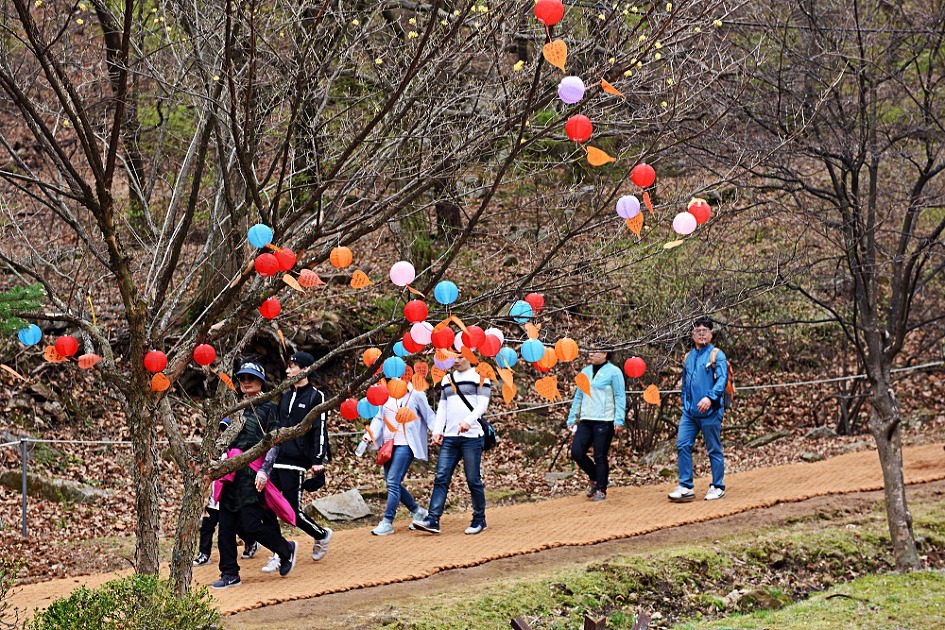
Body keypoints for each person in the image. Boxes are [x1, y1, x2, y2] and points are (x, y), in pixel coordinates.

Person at [212, 362, 297, 589]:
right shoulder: (234, 408)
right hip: (230, 472)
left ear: (261, 381)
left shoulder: (268, 408)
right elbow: (223, 439)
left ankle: (285, 549)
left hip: (252, 472)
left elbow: (275, 440)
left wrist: (264, 470)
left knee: (251, 524)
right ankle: (229, 573)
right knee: (226, 526)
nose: (246, 382)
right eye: (242, 378)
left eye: (251, 378)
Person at [261, 352, 333, 573]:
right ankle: (280, 551)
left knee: (292, 511)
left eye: (292, 366)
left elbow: (320, 428)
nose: (287, 371)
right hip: (277, 459)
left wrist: (318, 459)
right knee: (266, 505)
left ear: (305, 370)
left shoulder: (316, 397)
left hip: (296, 462)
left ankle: (321, 534)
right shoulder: (285, 395)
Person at [412, 355, 491, 535]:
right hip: (450, 437)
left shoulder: (480, 376)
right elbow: (443, 407)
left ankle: (479, 518)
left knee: (473, 479)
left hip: (472, 436)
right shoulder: (447, 379)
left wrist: (468, 421)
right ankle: (433, 519)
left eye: (460, 356)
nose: (456, 360)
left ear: (470, 356)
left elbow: (482, 405)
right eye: (453, 356)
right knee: (441, 477)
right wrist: (437, 430)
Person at [669, 318, 729, 502]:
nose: (702, 334)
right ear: (692, 334)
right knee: (682, 444)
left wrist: (710, 398)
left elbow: (722, 380)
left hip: (711, 411)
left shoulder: (717, 355)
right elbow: (685, 382)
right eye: (698, 331)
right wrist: (685, 403)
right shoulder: (688, 357)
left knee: (713, 448)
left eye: (705, 331)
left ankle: (717, 486)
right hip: (690, 412)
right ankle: (686, 486)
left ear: (711, 334)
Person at [363, 382, 435, 535]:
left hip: (406, 444)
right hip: (388, 444)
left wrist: (437, 432)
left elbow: (429, 415)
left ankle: (387, 522)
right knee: (392, 483)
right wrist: (370, 435)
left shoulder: (415, 393)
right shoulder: (384, 392)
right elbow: (379, 418)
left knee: (392, 481)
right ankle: (418, 511)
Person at [193, 416, 258, 566]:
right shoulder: (213, 449)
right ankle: (204, 554)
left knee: (236, 526)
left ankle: (251, 542)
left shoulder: (236, 449)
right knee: (207, 526)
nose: (222, 433)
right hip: (213, 496)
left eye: (225, 430)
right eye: (221, 429)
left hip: (227, 497)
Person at [566, 348, 626, 501]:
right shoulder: (585, 372)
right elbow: (578, 396)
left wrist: (619, 419)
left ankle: (601, 489)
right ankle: (595, 478)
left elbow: (620, 396)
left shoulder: (614, 372)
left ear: (605, 353)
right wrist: (572, 418)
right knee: (577, 452)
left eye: (595, 351)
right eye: (590, 351)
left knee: (600, 455)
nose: (591, 354)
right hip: (586, 419)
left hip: (605, 420)